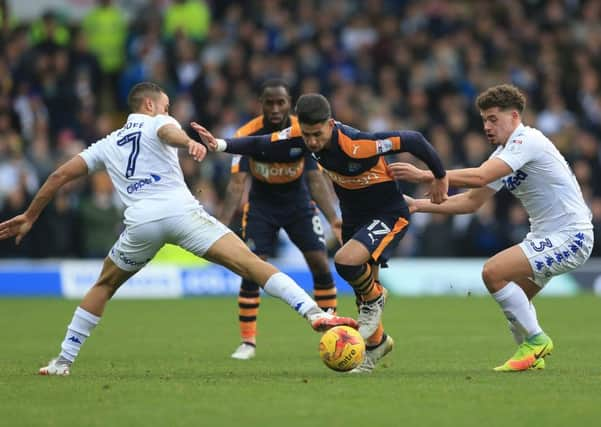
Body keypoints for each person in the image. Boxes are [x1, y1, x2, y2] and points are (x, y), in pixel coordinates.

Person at [0, 82, 357, 376]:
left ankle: (63, 361)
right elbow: (169, 131)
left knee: (104, 285)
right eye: (166, 106)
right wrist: (188, 143)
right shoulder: (159, 123)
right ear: (152, 105)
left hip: (140, 224)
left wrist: (30, 215)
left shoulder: (106, 143)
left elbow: (60, 175)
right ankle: (314, 313)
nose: (169, 112)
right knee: (251, 264)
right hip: (182, 214)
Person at [192, 93, 449, 372]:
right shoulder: (299, 135)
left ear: (330, 123)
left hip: (387, 214)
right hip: (353, 217)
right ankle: (377, 346)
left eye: (317, 134)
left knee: (345, 262)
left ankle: (376, 298)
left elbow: (413, 140)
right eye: (307, 135)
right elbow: (260, 143)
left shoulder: (358, 145)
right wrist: (220, 144)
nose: (312, 141)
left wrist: (439, 176)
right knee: (361, 287)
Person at [388, 84, 594, 371]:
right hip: (547, 236)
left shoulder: (527, 141)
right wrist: (417, 205)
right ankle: (533, 355)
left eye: (493, 119)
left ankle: (537, 341)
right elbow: (472, 202)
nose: (486, 126)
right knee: (516, 312)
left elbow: (482, 175)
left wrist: (427, 174)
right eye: (484, 119)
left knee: (493, 272)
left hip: (571, 235)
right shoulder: (505, 154)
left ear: (514, 116)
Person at [221, 79, 341, 360]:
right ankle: (248, 342)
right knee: (253, 268)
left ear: (290, 104)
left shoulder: (304, 131)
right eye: (269, 102)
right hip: (262, 208)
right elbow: (237, 184)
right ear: (260, 104)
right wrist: (221, 223)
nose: (275, 108)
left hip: (299, 205)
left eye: (281, 102)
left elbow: (315, 178)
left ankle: (331, 333)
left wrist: (334, 218)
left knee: (320, 264)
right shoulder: (248, 135)